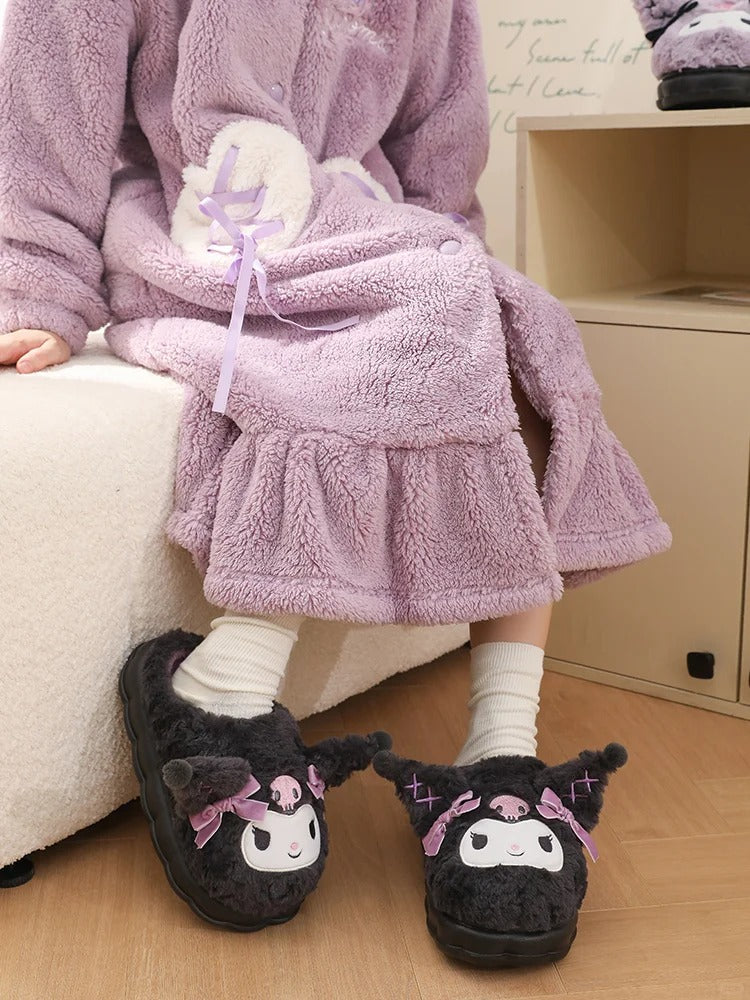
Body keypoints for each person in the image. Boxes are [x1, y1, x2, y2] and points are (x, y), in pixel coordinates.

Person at [0, 0, 670, 967]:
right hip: (207, 233)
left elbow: (440, 153)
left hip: (367, 231)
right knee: (445, 306)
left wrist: (446, 258)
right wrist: (37, 287)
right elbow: (47, 105)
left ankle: (501, 748)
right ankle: (224, 681)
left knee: (516, 327)